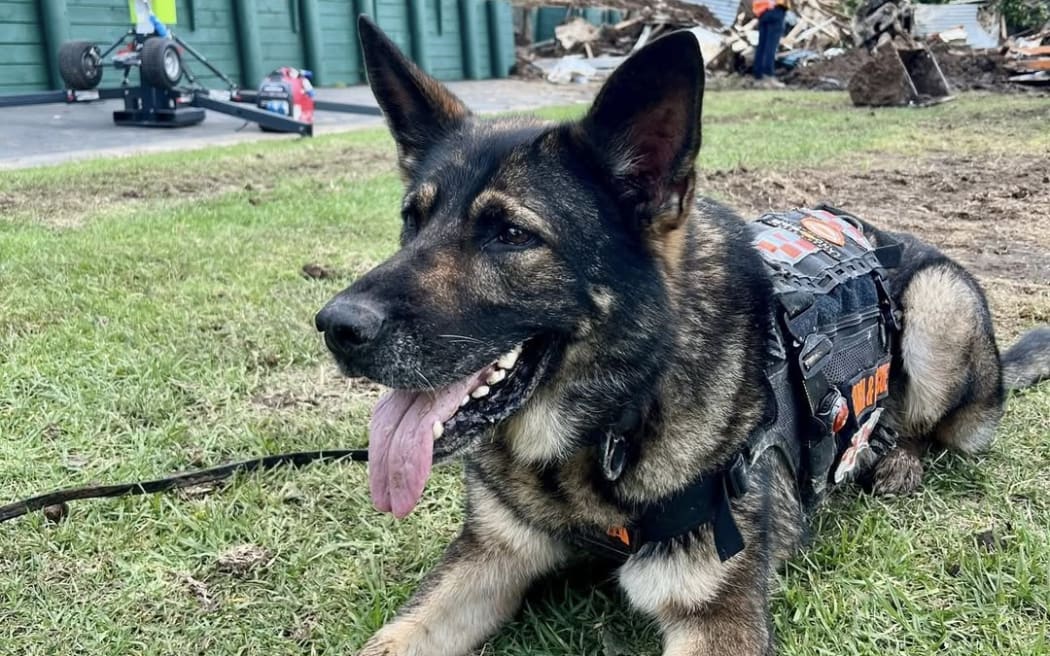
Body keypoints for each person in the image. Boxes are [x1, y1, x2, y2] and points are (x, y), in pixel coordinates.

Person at [752, 0, 789, 87]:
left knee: (762, 46)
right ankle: (768, 76)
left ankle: (758, 78)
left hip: (762, 11)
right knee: (771, 46)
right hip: (775, 8)